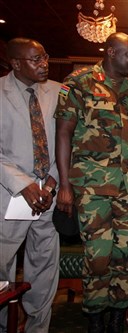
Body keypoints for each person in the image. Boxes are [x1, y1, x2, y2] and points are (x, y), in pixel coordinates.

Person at [54, 32, 128, 333]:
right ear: (109, 52)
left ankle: (118, 316)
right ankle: (95, 317)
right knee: (98, 257)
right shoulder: (78, 83)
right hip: (93, 187)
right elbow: (64, 133)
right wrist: (65, 184)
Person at [0, 38, 60, 332]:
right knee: (3, 270)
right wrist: (23, 183)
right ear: (15, 64)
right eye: (35, 59)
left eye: (45, 56)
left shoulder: (60, 92)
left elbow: (68, 142)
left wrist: (53, 179)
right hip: (8, 197)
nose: (44, 64)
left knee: (45, 268)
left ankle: (38, 327)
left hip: (48, 196)